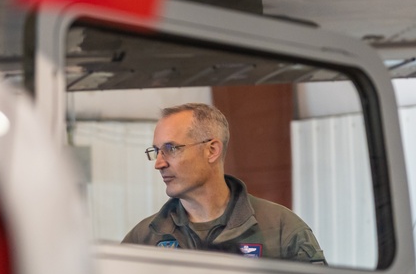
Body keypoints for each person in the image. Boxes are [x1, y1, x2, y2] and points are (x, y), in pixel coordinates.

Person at [122, 102, 326, 264]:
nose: (159, 163)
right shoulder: (145, 238)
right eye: (156, 151)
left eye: (171, 148)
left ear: (211, 150)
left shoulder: (281, 230)